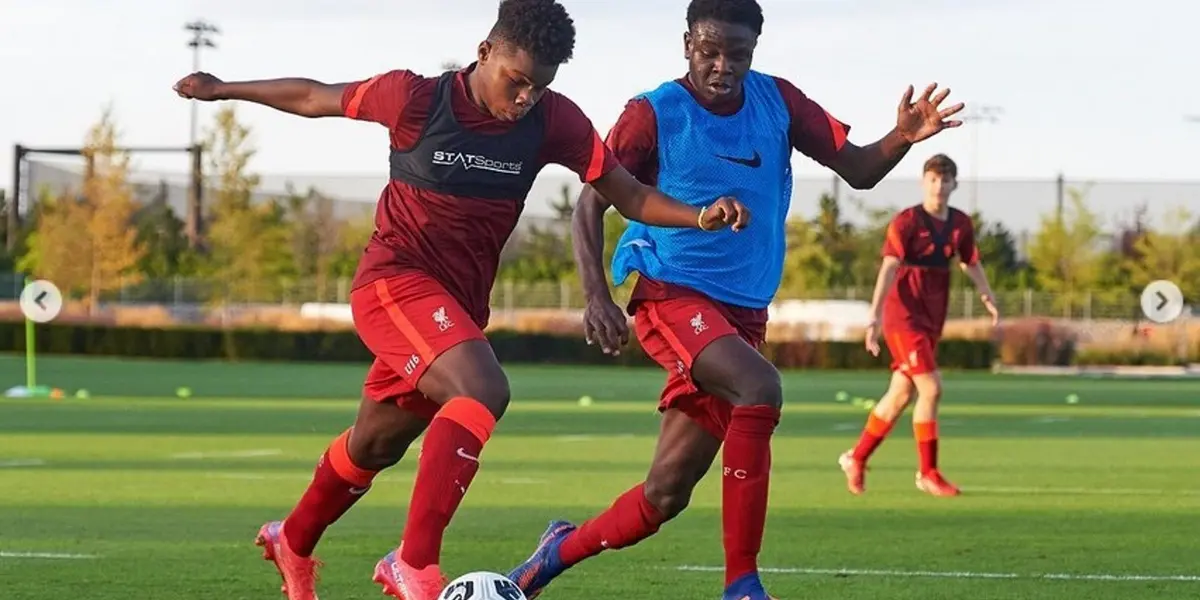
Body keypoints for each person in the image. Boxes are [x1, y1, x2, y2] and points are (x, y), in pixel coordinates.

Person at [173, 1, 749, 599]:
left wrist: (698, 215)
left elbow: (628, 195)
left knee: (374, 443)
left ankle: (291, 540)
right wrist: (223, 89)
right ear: (484, 52)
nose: (524, 97)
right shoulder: (413, 98)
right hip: (393, 283)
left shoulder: (555, 122)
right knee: (484, 390)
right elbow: (315, 96)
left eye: (538, 86)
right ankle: (414, 563)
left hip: (457, 311)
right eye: (516, 80)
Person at [503, 0, 965, 598]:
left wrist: (903, 135)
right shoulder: (653, 113)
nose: (722, 65)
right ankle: (742, 584)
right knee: (761, 387)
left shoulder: (778, 102)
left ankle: (551, 555)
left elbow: (858, 170)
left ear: (754, 52)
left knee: (662, 497)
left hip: (742, 314)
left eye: (737, 55)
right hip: (672, 292)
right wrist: (596, 296)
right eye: (709, 50)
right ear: (687, 42)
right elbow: (592, 202)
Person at [839, 153, 999, 497]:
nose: (939, 186)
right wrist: (874, 316)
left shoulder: (960, 224)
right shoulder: (906, 222)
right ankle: (928, 472)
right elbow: (889, 268)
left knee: (900, 395)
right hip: (903, 317)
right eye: (933, 179)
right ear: (923, 182)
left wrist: (986, 293)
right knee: (931, 388)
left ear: (954, 184)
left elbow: (970, 262)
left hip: (931, 316)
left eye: (945, 180)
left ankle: (857, 457)